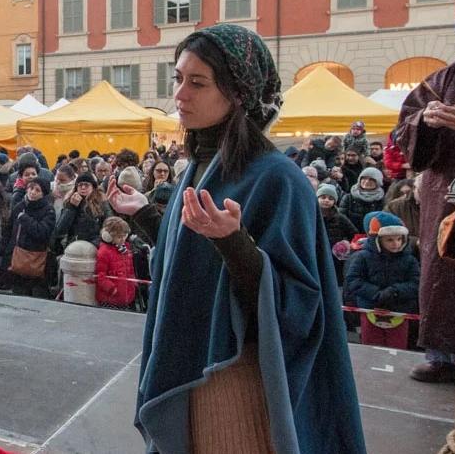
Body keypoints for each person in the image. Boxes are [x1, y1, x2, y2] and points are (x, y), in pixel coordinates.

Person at [112, 24, 361, 453]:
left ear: (238, 94)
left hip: (234, 378)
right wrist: (150, 215)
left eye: (197, 83)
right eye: (178, 78)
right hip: (194, 366)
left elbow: (299, 306)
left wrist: (235, 244)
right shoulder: (202, 166)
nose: (180, 95)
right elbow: (190, 259)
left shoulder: (278, 180)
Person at [395, 8, 455, 384]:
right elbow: (405, 122)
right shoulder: (447, 77)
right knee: (444, 268)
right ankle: (443, 354)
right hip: (447, 191)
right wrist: (424, 120)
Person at [344, 212, 419, 350]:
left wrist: (395, 291)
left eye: (399, 239)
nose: (396, 244)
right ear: (377, 240)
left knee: (397, 349)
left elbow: (416, 283)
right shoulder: (362, 257)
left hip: (400, 311)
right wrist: (375, 293)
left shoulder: (410, 260)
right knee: (370, 349)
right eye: (389, 240)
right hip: (370, 310)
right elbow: (353, 280)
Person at [2, 178, 55, 298]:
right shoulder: (19, 207)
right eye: (31, 188)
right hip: (17, 257)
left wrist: (25, 218)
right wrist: (4, 252)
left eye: (37, 190)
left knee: (37, 297)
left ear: (43, 193)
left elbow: (42, 232)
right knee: (19, 295)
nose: (33, 192)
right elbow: (9, 230)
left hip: (38, 260)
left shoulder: (48, 210)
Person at [53, 173, 112, 252]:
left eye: (86, 185)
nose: (83, 187)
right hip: (73, 247)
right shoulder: (69, 202)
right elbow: (60, 230)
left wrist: (94, 244)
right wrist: (72, 207)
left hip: (95, 247)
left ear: (93, 187)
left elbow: (109, 226)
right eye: (80, 185)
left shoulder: (101, 202)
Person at [317, 184, 357, 285]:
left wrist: (346, 245)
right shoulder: (310, 215)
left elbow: (354, 234)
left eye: (330, 198)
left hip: (335, 259)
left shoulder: (340, 218)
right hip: (315, 255)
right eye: (323, 197)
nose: (326, 200)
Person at [95, 217, 137, 309]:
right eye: (119, 237)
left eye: (124, 236)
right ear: (108, 236)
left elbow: (130, 268)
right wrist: (112, 289)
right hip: (110, 298)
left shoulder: (125, 248)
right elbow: (100, 275)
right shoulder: (104, 252)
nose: (122, 239)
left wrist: (133, 283)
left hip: (125, 296)